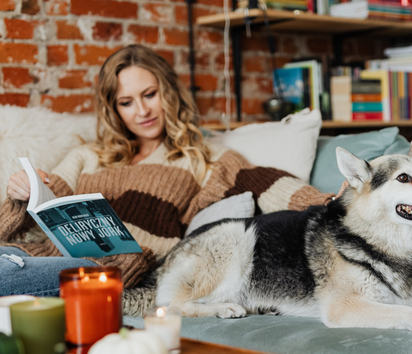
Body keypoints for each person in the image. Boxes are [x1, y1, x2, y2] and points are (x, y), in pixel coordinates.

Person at [0, 44, 344, 308]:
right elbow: (35, 208)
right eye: (127, 102)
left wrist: (329, 202)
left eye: (150, 95)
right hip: (35, 255)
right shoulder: (86, 155)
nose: (143, 111)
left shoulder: (203, 161)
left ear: (168, 92)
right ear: (114, 109)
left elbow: (268, 184)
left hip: (107, 272)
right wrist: (23, 195)